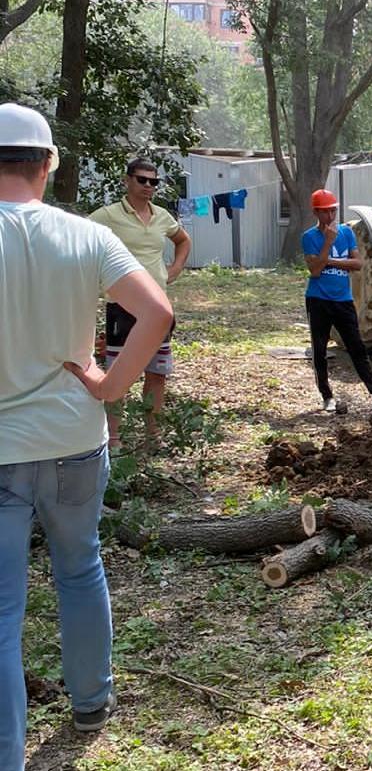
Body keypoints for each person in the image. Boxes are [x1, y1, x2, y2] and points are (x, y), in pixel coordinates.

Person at [0, 104, 173, 767]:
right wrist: (108, 385)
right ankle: (92, 700)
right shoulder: (83, 236)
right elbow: (158, 312)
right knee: (79, 569)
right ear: (48, 164)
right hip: (75, 439)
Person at [89, 157, 191, 450]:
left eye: (153, 181)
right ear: (127, 180)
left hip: (158, 307)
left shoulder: (162, 216)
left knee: (157, 372)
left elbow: (183, 241)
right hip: (123, 306)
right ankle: (115, 439)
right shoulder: (107, 216)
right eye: (142, 180)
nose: (148, 186)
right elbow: (80, 239)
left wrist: (174, 270)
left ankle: (152, 436)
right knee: (118, 373)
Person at [303, 188, 372, 414]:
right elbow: (315, 271)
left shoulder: (346, 233)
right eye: (325, 212)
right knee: (319, 351)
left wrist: (329, 261)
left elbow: (358, 264)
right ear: (316, 212)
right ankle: (327, 397)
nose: (331, 216)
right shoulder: (309, 237)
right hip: (318, 300)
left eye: (333, 210)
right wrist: (327, 242)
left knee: (357, 349)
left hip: (343, 301)